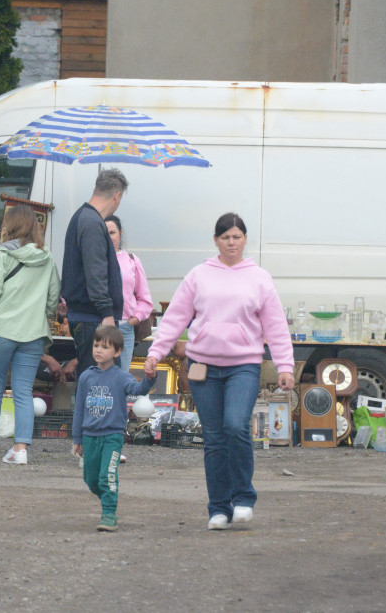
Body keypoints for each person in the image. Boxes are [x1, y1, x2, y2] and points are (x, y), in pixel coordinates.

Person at [144, 213, 294, 530]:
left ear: (245, 240)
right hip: (203, 366)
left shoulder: (259, 278)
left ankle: (242, 498)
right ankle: (218, 508)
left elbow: (276, 326)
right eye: (225, 237)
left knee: (236, 426)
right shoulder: (198, 275)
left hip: (244, 364)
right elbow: (175, 318)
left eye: (237, 237)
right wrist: (156, 352)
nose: (231, 242)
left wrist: (285, 366)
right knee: (213, 438)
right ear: (215, 240)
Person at [0, 205, 60, 465]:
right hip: (32, 332)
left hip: (2, 329)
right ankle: (20, 449)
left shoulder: (1, 255)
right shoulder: (47, 257)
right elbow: (53, 297)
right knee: (23, 391)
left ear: (11, 226)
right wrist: (41, 313)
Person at [72, 324, 155, 532]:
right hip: (89, 436)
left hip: (112, 435)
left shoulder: (121, 377)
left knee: (107, 475)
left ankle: (109, 513)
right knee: (90, 479)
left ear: (118, 352)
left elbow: (138, 389)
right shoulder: (86, 377)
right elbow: (79, 409)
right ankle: (109, 498)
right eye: (96, 345)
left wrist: (150, 377)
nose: (99, 350)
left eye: (105, 347)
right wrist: (77, 439)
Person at [61, 169, 128, 379]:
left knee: (94, 383)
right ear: (117, 195)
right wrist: (107, 313)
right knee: (98, 385)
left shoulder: (84, 217)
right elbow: (95, 272)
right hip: (94, 319)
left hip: (89, 317)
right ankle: (90, 415)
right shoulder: (91, 222)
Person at [104, 215, 153, 371]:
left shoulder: (132, 260)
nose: (108, 237)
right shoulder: (93, 259)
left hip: (125, 327)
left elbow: (144, 298)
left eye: (112, 232)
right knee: (99, 377)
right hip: (99, 326)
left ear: (120, 233)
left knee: (121, 377)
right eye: (104, 233)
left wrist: (136, 318)